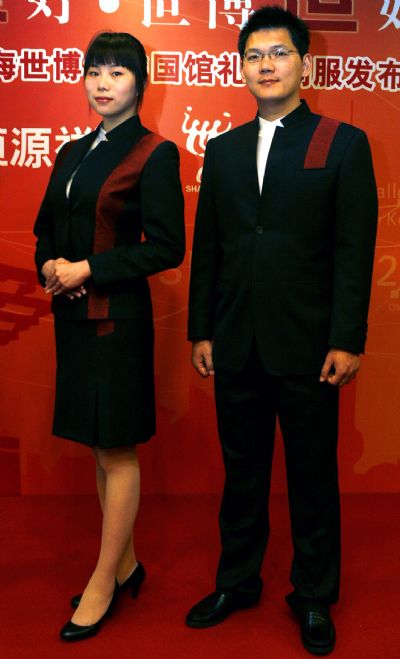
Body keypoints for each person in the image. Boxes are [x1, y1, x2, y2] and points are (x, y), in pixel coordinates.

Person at [186, 6, 377, 655]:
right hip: (235, 338)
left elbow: (354, 249)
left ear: (305, 63)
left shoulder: (341, 142)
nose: (265, 65)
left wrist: (348, 337)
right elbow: (209, 246)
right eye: (254, 56)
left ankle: (314, 593)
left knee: (312, 474)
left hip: (308, 345)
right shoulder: (224, 148)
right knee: (242, 471)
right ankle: (237, 581)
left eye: (279, 54)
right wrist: (201, 329)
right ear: (241, 68)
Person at [33, 32, 185, 642]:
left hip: (118, 323)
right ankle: (126, 564)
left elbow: (167, 248)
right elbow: (46, 227)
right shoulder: (71, 151)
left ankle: (104, 581)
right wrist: (50, 264)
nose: (102, 82)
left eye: (117, 72)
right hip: (71, 317)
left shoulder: (155, 152)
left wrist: (89, 269)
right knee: (98, 445)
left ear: (140, 84)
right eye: (94, 70)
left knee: (117, 448)